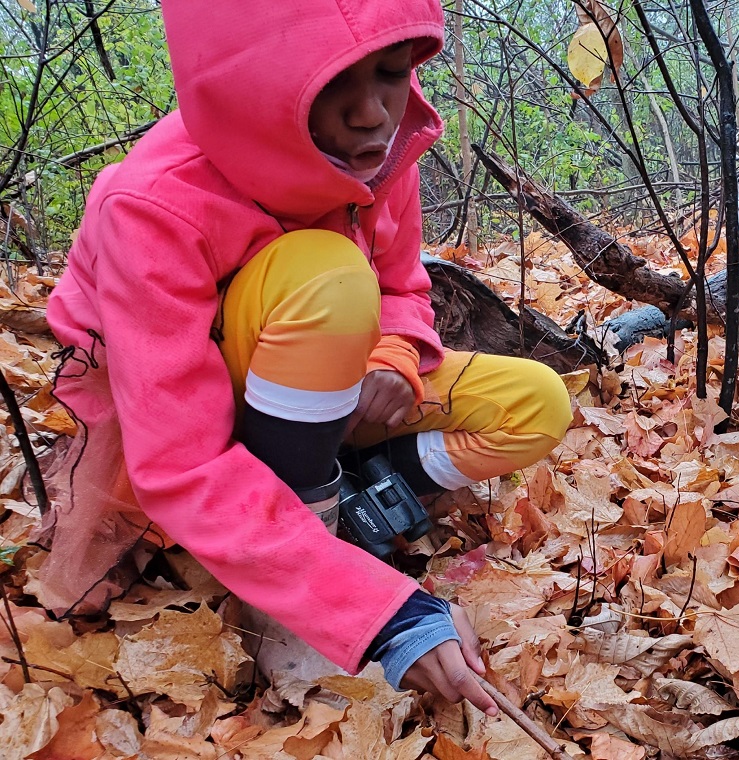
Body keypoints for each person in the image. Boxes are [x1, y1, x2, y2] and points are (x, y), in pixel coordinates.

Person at [37, 0, 572, 714]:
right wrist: (380, 614)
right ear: (248, 86)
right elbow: (179, 455)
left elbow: (401, 287)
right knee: (327, 275)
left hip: (318, 390)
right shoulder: (154, 203)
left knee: (539, 403)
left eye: (389, 74)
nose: (373, 114)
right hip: (190, 409)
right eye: (331, 85)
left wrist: (392, 352)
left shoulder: (383, 160)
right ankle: (300, 575)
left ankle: (342, 499)